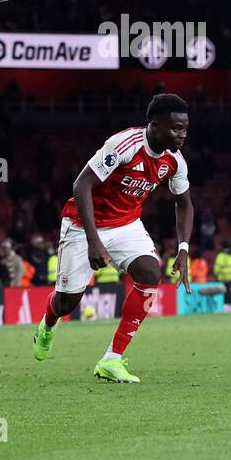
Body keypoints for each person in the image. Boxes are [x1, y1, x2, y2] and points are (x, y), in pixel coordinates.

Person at [32, 94, 193, 384]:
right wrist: (95, 241)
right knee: (68, 303)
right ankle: (48, 323)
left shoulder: (174, 161)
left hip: (126, 224)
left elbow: (185, 203)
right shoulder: (124, 145)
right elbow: (81, 185)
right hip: (84, 224)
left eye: (184, 129)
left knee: (150, 272)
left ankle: (112, 359)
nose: (181, 135)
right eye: (175, 128)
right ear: (155, 125)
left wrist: (183, 248)